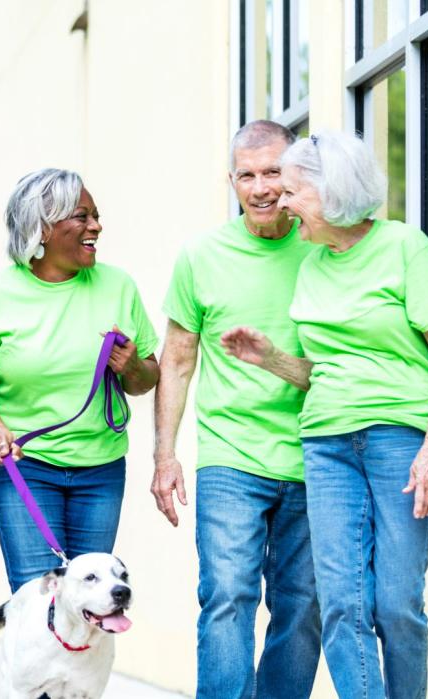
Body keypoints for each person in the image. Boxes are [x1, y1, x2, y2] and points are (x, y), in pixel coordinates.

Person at [221, 129, 428, 699]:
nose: (281, 202)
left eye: (292, 192)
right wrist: (273, 359)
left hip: (399, 439)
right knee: (340, 604)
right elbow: (321, 372)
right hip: (326, 443)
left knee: (397, 604)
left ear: (331, 194)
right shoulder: (312, 266)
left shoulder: (405, 247)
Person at [152, 120, 321, 699]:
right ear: (231, 181)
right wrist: (165, 456)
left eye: (273, 172)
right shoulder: (201, 257)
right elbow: (176, 359)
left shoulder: (323, 248)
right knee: (226, 595)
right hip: (230, 457)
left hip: (313, 454)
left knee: (302, 606)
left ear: (294, 174)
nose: (261, 188)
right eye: (247, 176)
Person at [0, 168, 159, 592]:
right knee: (36, 602)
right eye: (81, 217)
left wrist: (131, 365)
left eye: (96, 216)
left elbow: (146, 379)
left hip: (100, 472)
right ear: (42, 229)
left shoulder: (118, 286)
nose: (96, 227)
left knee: (91, 604)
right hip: (27, 470)